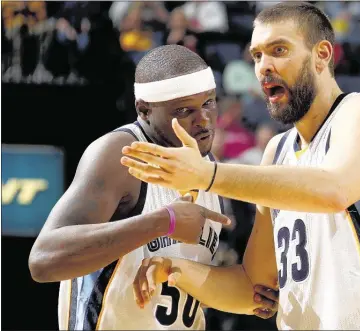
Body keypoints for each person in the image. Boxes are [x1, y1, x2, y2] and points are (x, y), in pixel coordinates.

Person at [122, 3, 360, 330]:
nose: (264, 66)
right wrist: (173, 269)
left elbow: (334, 191)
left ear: (322, 55)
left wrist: (207, 175)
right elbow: (252, 288)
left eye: (278, 50)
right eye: (256, 56)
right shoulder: (277, 151)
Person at [28, 44, 277, 330]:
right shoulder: (121, 154)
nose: (203, 120)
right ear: (144, 110)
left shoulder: (208, 166)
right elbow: (43, 261)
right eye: (184, 110)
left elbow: (179, 295)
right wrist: (164, 222)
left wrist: (254, 296)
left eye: (208, 102)